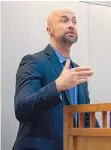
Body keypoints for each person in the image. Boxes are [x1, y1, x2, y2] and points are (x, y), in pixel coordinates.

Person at [12, 8, 99, 150]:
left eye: (74, 21)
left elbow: (86, 118)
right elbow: (22, 108)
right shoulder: (33, 62)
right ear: (49, 29)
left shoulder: (76, 72)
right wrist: (57, 86)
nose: (71, 25)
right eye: (64, 20)